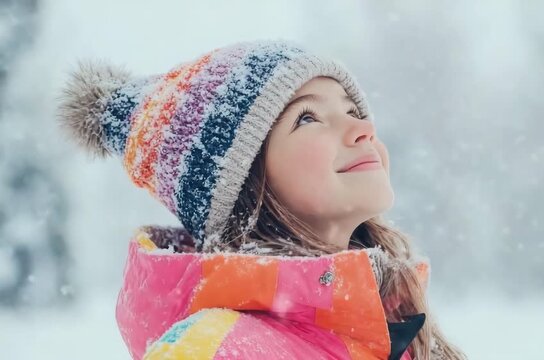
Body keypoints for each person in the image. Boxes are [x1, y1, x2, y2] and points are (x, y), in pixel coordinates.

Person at [57, 40, 466, 360]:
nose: (363, 127)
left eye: (352, 109)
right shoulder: (213, 351)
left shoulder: (394, 323)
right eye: (307, 117)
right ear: (243, 184)